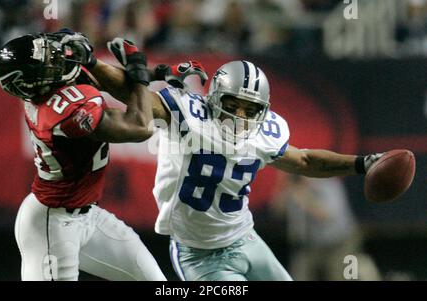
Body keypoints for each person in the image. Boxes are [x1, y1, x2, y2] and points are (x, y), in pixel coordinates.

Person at [73, 35, 384, 281]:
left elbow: (304, 161)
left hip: (246, 238)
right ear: (214, 97)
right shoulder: (190, 114)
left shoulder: (266, 132)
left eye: (250, 110)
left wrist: (362, 163)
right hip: (199, 255)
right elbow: (134, 96)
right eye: (234, 105)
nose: (240, 116)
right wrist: (93, 65)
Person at [0, 31, 176, 281]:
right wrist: (139, 73)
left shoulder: (52, 87)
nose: (56, 61)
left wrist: (140, 73)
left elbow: (114, 83)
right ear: (30, 81)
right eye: (46, 62)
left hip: (89, 215)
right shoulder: (60, 112)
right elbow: (140, 126)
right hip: (51, 224)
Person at [273, 175, 381, 280]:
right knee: (298, 276)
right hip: (309, 245)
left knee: (337, 276)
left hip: (339, 242)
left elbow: (326, 216)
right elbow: (277, 212)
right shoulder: (295, 188)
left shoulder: (329, 185)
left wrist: (306, 198)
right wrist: (285, 188)